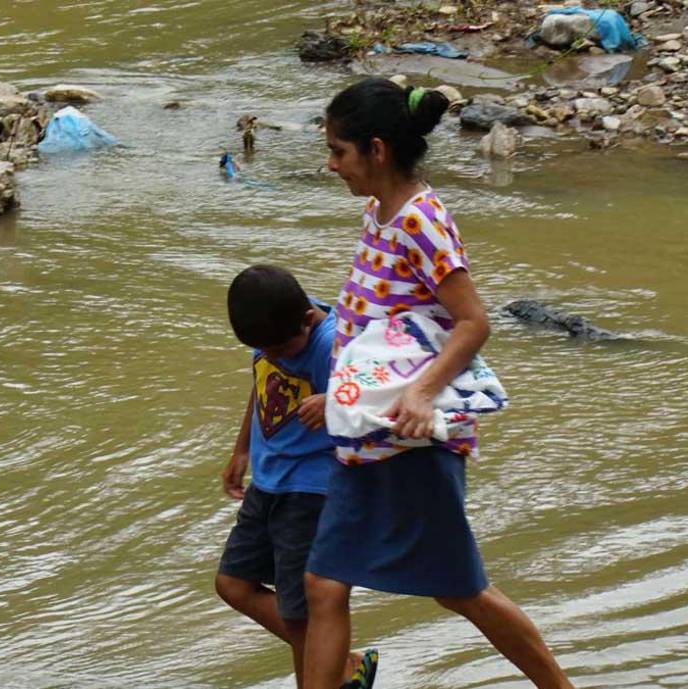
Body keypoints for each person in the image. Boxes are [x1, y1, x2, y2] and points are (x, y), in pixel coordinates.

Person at [302, 78, 575, 689]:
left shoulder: (423, 222)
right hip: (369, 435)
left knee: (461, 591)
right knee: (323, 583)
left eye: (338, 150)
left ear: (377, 150)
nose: (331, 164)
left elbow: (472, 323)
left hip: (412, 442)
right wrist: (340, 398)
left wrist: (420, 395)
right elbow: (380, 328)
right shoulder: (380, 213)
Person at [216, 265, 379, 689]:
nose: (271, 355)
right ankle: (342, 665)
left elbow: (375, 406)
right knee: (233, 583)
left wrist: (334, 401)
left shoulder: (333, 348)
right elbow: (261, 385)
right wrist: (241, 450)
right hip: (268, 481)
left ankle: (327, 676)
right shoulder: (273, 334)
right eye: (261, 349)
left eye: (278, 349)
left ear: (307, 320)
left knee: (299, 610)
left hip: (311, 489)